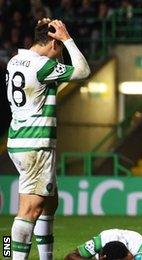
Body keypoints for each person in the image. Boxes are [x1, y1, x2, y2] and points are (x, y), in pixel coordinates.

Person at [7, 18, 90, 260]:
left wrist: (57, 42)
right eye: (59, 46)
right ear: (53, 42)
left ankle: (46, 257)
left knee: (49, 203)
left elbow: (60, 72)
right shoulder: (42, 67)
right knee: (28, 211)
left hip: (20, 139)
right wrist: (68, 39)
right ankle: (10, 255)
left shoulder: (16, 60)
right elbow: (83, 71)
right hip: (36, 144)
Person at [64, 229, 142, 260]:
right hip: (109, 237)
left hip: (132, 239)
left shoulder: (139, 253)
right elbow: (70, 256)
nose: (131, 258)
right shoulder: (99, 242)